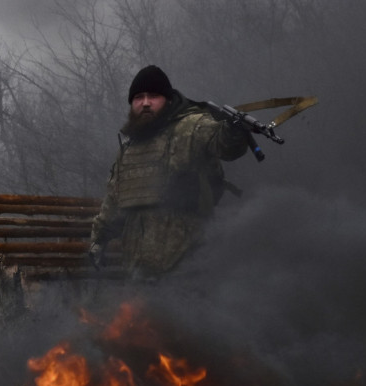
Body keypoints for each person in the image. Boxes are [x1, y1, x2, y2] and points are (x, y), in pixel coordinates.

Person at [89, 65, 250, 279]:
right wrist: (99, 241)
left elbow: (226, 145)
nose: (145, 103)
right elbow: (114, 199)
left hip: (188, 265)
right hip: (137, 268)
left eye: (153, 96)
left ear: (167, 99)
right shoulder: (129, 149)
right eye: (139, 97)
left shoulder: (192, 126)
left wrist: (233, 130)